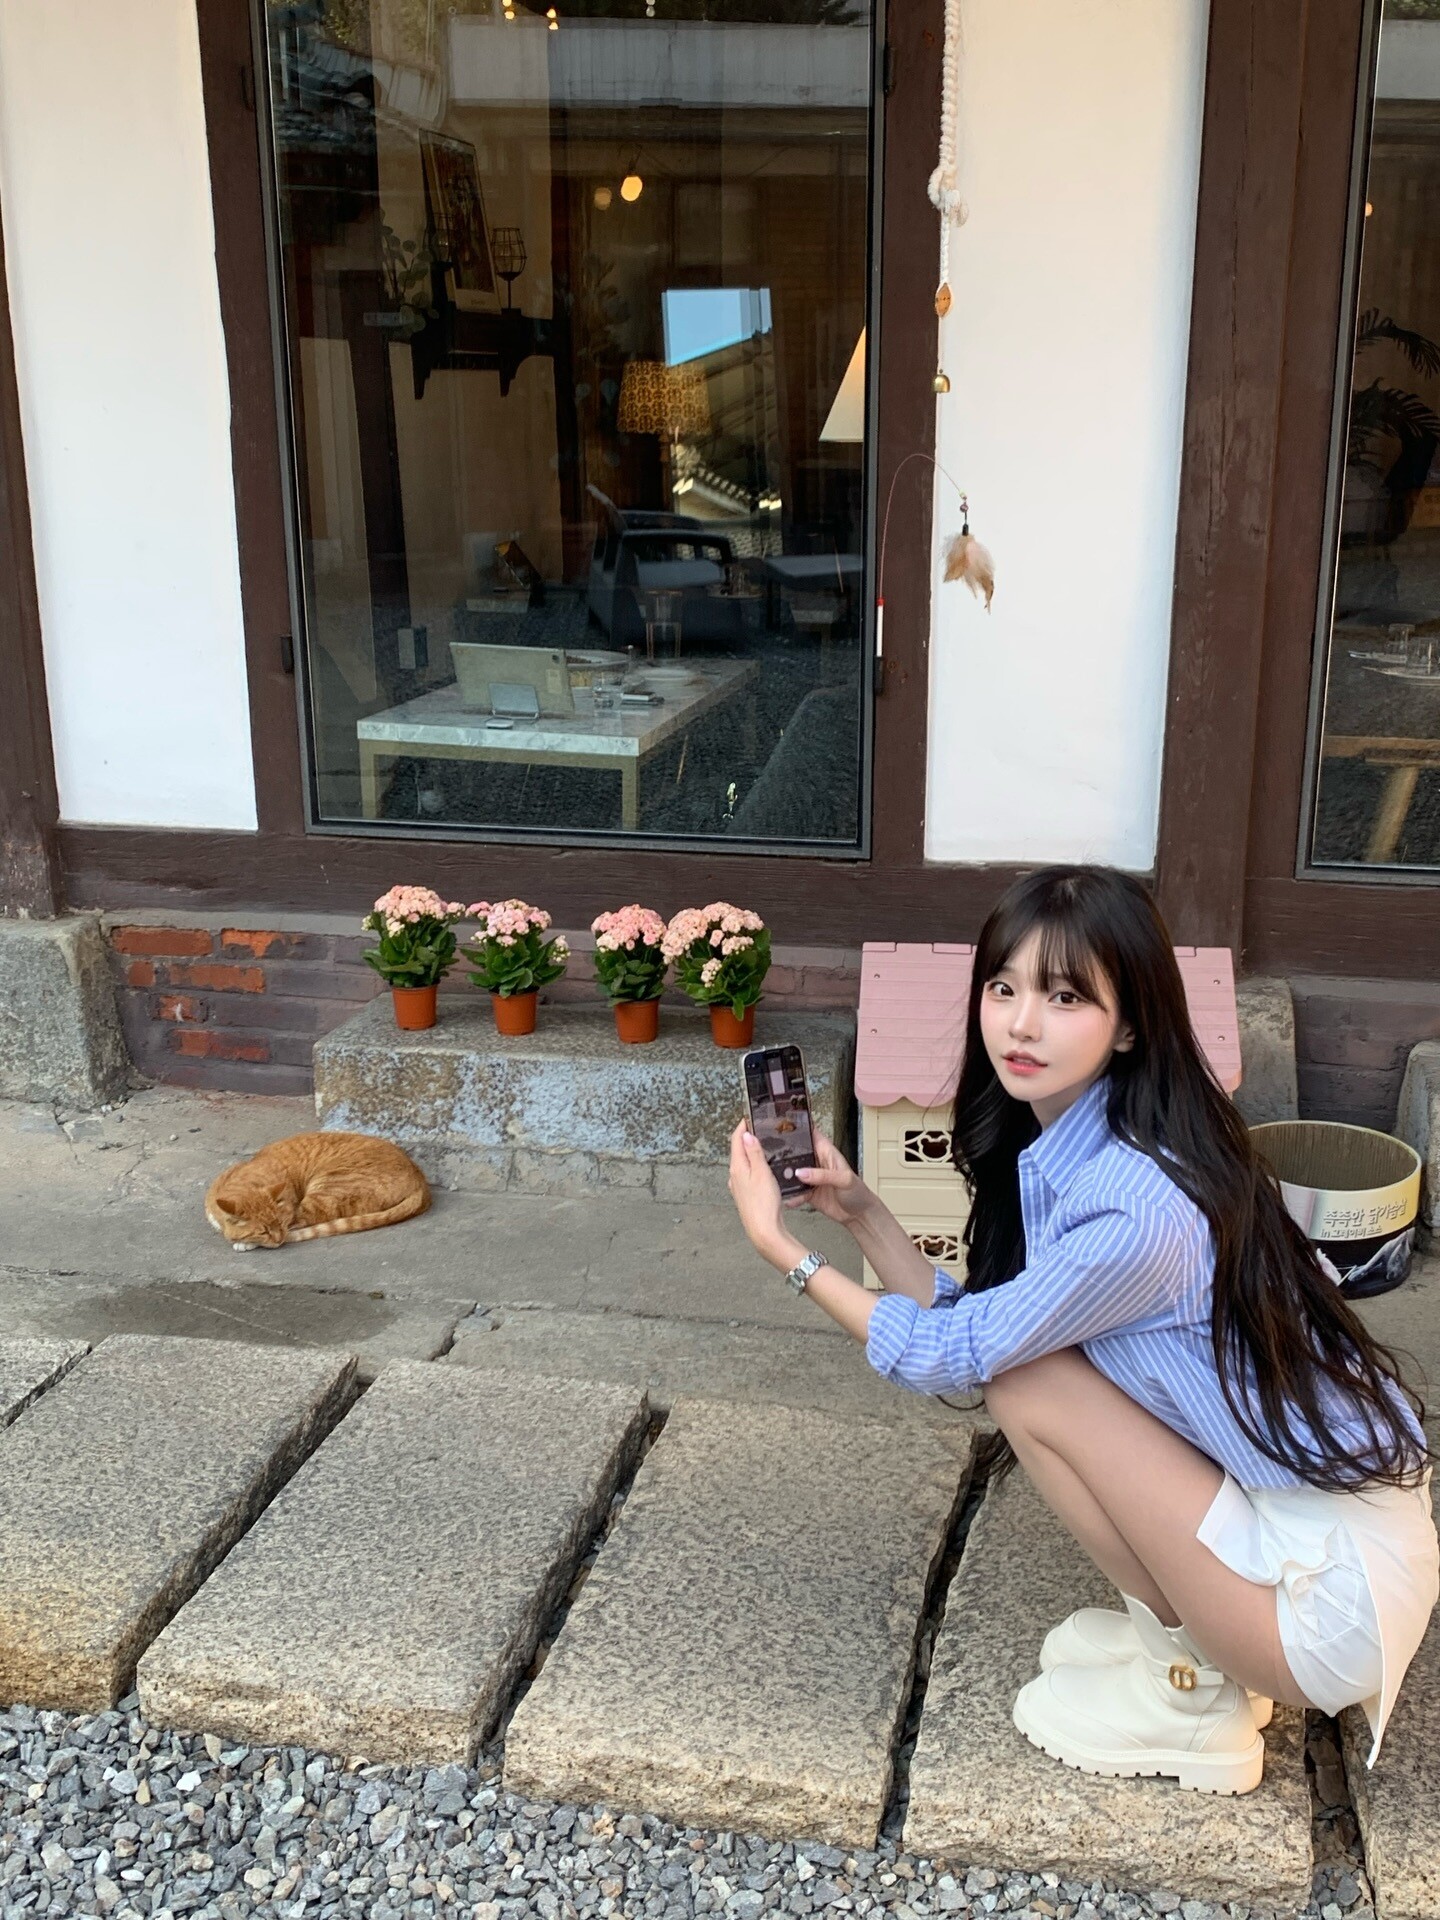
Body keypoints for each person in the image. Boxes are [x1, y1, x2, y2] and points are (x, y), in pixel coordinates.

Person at [727, 864, 1437, 1795]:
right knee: (1025, 1363)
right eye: (1004, 988)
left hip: (1325, 1605)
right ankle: (1184, 1647)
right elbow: (979, 1323)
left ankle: (1194, 1698)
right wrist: (858, 1210)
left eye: (1065, 998)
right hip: (1311, 1530)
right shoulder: (1110, 1137)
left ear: (1130, 1023)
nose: (1022, 1024)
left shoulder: (1133, 1210)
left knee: (1027, 1379)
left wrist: (784, 1252)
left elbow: (957, 1354)